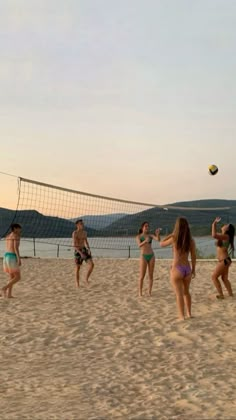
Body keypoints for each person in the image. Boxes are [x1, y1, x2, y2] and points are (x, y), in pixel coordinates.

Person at [160, 217, 196, 321]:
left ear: (177, 227)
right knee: (186, 292)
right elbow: (193, 256)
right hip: (187, 269)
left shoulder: (174, 238)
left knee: (179, 294)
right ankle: (189, 313)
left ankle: (181, 316)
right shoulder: (191, 240)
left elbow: (161, 243)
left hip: (177, 268)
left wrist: (171, 234)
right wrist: (193, 269)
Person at [211, 217, 234, 299]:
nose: (224, 225)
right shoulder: (224, 236)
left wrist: (214, 224)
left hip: (224, 260)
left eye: (226, 225)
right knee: (224, 278)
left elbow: (213, 235)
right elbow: (216, 235)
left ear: (227, 229)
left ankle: (221, 295)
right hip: (226, 260)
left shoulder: (226, 236)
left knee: (214, 277)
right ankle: (231, 295)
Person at [136, 221, 161, 297]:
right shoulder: (139, 237)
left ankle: (149, 292)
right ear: (142, 227)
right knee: (142, 276)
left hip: (151, 256)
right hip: (143, 256)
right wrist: (144, 241)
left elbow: (158, 239)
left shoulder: (150, 235)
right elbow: (139, 245)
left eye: (148, 226)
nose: (147, 227)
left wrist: (158, 234)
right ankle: (140, 293)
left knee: (151, 275)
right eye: (145, 226)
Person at [2, 223, 22, 298]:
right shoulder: (16, 236)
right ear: (15, 228)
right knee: (18, 277)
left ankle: (9, 295)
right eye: (19, 228)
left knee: (11, 277)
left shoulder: (8, 236)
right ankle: (4, 288)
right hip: (12, 257)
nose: (20, 230)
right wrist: (19, 258)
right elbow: (15, 248)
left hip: (6, 256)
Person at [72, 219, 94, 287]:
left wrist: (89, 249)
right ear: (77, 225)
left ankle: (86, 279)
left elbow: (86, 242)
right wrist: (80, 253)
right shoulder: (75, 233)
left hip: (84, 249)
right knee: (78, 268)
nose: (83, 225)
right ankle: (77, 284)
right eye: (81, 224)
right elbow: (74, 245)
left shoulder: (85, 233)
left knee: (92, 265)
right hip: (78, 250)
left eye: (83, 223)